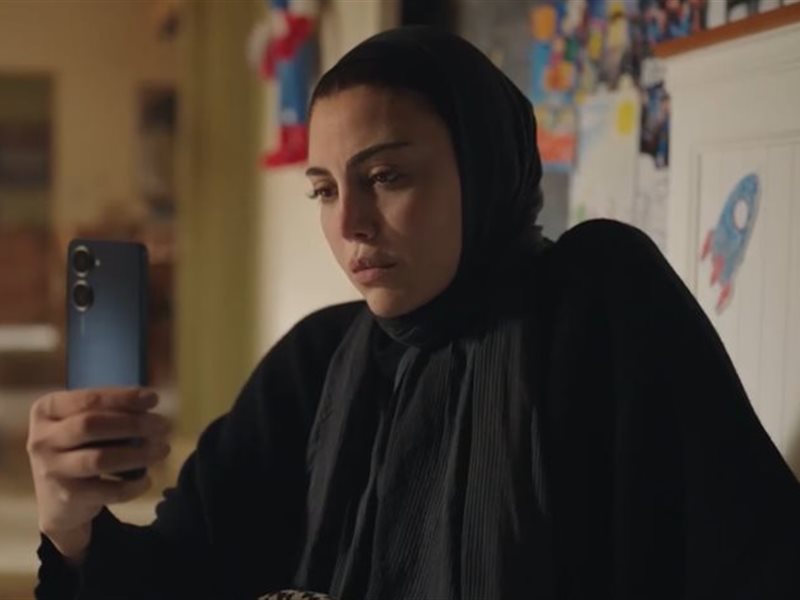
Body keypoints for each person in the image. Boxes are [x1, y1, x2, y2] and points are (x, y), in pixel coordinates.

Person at [28, 26, 799, 600]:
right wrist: (71, 526)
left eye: (386, 176)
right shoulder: (319, 360)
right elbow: (182, 571)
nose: (349, 224)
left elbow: (755, 561)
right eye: (325, 189)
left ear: (483, 165)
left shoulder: (596, 304)